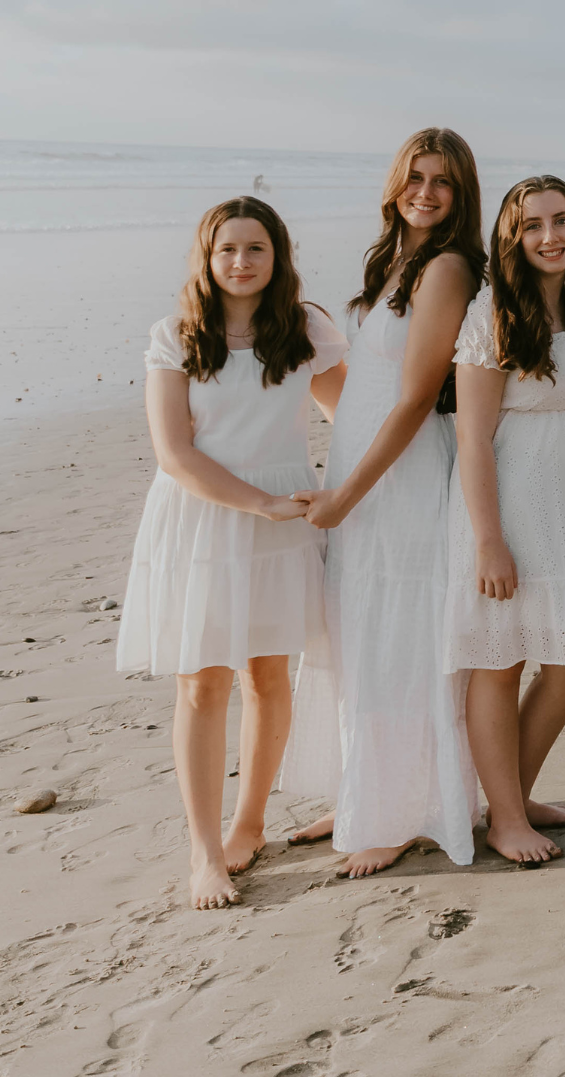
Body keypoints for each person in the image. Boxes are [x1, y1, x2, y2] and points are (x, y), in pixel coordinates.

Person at [118, 197, 347, 909]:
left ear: (277, 256)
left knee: (269, 675)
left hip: (281, 521)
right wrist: (263, 504)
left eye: (255, 248)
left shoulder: (305, 329)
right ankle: (205, 850)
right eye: (227, 250)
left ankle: (249, 825)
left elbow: (357, 419)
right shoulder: (177, 335)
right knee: (202, 683)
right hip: (205, 518)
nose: (241, 262)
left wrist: (342, 493)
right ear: (206, 257)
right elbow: (175, 454)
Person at [281, 129, 486, 873]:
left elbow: (417, 399)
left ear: (461, 197)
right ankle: (364, 788)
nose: (425, 192)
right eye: (415, 177)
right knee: (361, 633)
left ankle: (400, 811)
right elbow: (363, 389)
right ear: (395, 184)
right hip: (366, 472)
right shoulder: (393, 261)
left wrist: (345, 496)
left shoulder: (447, 267)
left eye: (443, 182)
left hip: (403, 481)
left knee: (401, 639)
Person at [446, 176, 565, 865]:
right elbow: (472, 438)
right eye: (532, 226)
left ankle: (510, 798)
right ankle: (507, 818)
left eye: (562, 221)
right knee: (501, 662)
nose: (549, 236)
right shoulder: (492, 314)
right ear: (511, 239)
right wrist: (489, 541)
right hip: (514, 513)